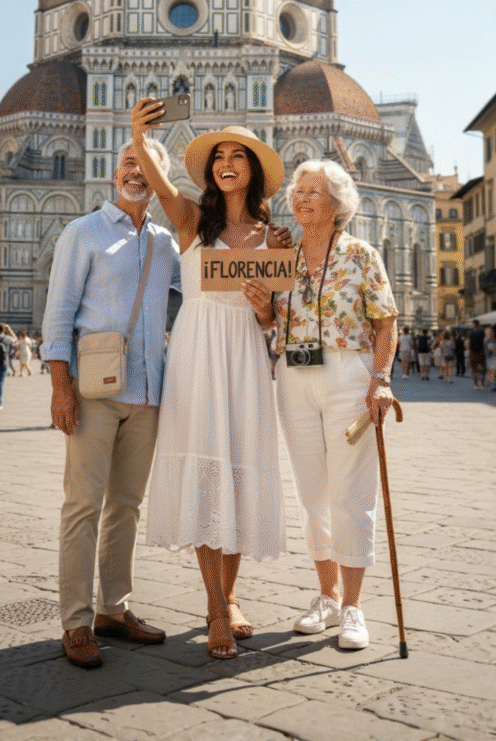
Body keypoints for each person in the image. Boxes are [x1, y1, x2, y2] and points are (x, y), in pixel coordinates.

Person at [132, 101, 291, 661]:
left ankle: (228, 595)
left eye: (236, 156)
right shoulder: (192, 222)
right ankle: (219, 610)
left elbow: (275, 319)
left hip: (246, 355)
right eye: (218, 156)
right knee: (205, 471)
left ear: (252, 169)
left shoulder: (274, 236)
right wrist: (138, 136)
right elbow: (156, 182)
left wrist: (266, 311)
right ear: (210, 171)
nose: (226, 163)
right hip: (198, 354)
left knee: (241, 475)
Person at [247, 159, 399, 651]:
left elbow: (386, 323)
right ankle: (327, 596)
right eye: (298, 190)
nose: (302, 198)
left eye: (313, 191)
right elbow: (270, 322)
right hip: (293, 375)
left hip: (348, 373)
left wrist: (380, 381)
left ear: (338, 203)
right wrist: (261, 304)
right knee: (311, 492)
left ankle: (354, 607)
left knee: (351, 491)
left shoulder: (360, 254)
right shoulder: (282, 255)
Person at [42, 136, 180, 670]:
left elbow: (190, 298)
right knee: (83, 505)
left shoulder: (166, 244)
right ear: (112, 173)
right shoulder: (84, 233)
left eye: (147, 165)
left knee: (126, 506)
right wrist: (60, 387)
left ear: (161, 180)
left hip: (146, 392)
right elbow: (59, 313)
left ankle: (113, 609)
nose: (137, 172)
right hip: (94, 390)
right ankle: (76, 621)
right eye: (129, 162)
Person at [467, 320, 486, 389]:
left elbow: (469, 343)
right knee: (482, 368)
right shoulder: (482, 331)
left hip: (473, 352)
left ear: (474, 324)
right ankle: (482, 384)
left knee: (474, 369)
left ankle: (476, 384)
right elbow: (484, 341)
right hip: (481, 351)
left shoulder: (471, 332)